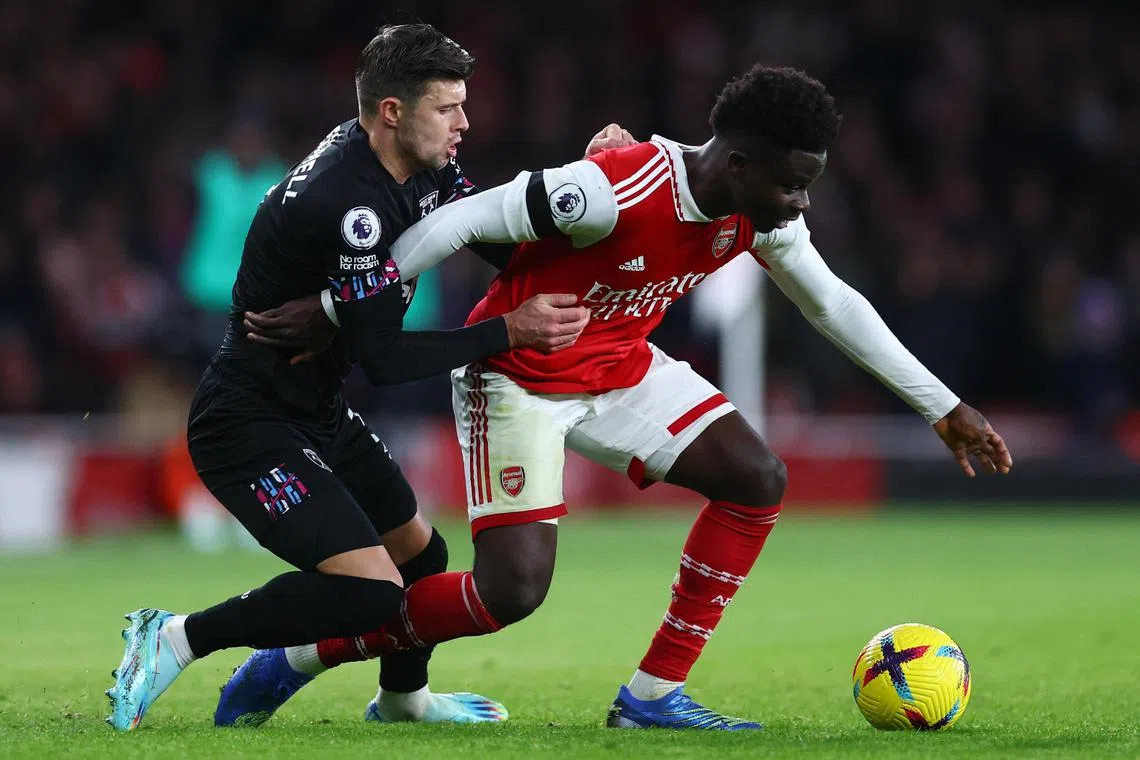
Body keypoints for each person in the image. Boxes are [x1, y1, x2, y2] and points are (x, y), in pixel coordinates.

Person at [229, 64, 1012, 730]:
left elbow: (833, 304)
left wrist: (942, 405)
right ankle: (302, 652)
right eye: (793, 184)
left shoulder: (758, 214)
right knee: (512, 591)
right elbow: (464, 218)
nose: (801, 204)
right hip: (521, 376)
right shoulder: (610, 190)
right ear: (737, 162)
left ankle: (653, 693)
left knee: (757, 478)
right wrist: (340, 308)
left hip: (622, 366)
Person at [105, 23, 614, 732]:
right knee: (370, 593)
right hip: (247, 424)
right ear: (392, 112)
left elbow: (501, 243)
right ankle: (177, 637)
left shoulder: (420, 166)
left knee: (424, 558)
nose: (465, 123)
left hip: (315, 409)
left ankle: (403, 703)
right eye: (448, 108)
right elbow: (386, 360)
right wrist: (508, 329)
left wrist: (595, 187)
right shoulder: (350, 206)